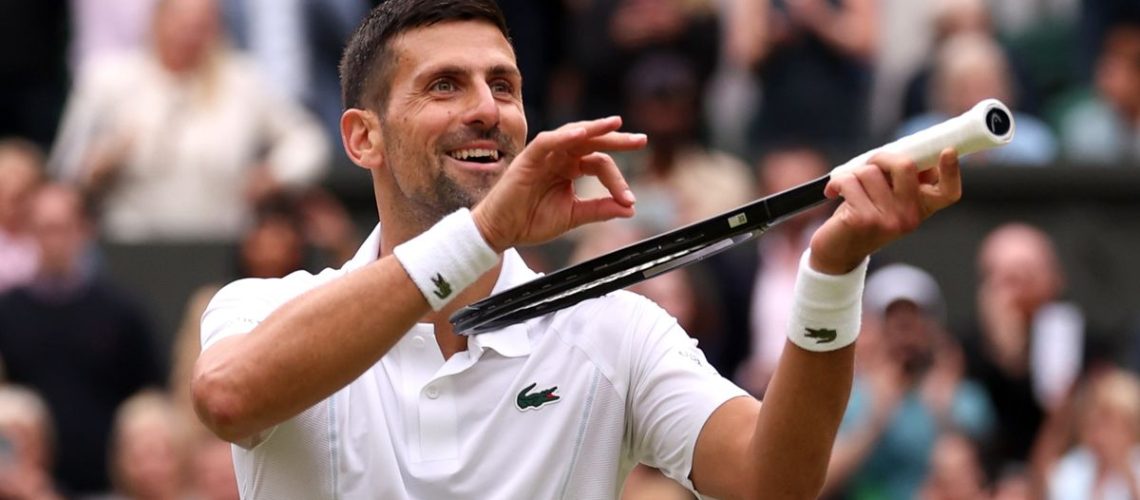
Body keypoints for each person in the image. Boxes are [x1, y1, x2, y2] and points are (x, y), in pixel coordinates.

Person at [190, 1, 964, 498]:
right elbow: (230, 398)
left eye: (504, 84)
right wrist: (483, 234)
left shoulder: (614, 333)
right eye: (444, 86)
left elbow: (777, 480)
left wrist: (833, 269)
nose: (487, 109)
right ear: (364, 138)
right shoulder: (265, 306)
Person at [49, 0, 329, 242]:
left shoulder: (243, 81)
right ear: (157, 20)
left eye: (202, 25)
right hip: (128, 245)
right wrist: (97, 166)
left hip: (220, 241)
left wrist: (275, 174)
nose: (189, 34)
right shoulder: (108, 81)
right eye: (180, 22)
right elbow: (64, 167)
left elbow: (309, 140)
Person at [0, 184, 165, 495]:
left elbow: (150, 398)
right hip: (25, 488)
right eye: (44, 228)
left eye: (62, 228)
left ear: (84, 230)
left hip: (108, 486)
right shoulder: (7, 313)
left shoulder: (122, 312)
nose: (54, 240)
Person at [822, 263, 995, 499]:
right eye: (894, 322)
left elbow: (981, 478)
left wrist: (944, 413)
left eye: (912, 322)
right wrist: (875, 419)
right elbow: (820, 483)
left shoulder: (966, 398)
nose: (904, 336)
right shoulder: (846, 401)